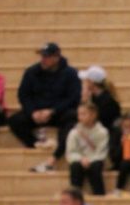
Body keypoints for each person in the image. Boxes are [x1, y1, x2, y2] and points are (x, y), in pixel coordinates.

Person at [9, 43, 80, 172]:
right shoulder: (31, 72)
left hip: (59, 112)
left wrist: (52, 111)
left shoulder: (70, 73)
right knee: (15, 120)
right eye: (42, 56)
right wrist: (32, 112)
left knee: (72, 118)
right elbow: (23, 95)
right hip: (36, 113)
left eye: (46, 56)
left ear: (56, 57)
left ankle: (58, 152)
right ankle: (35, 144)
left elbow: (73, 98)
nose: (43, 59)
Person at [65, 101, 109, 195]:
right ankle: (75, 196)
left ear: (93, 115)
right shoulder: (74, 132)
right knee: (75, 167)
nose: (80, 117)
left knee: (96, 167)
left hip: (95, 159)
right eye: (79, 114)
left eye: (83, 114)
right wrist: (81, 159)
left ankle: (99, 195)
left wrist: (90, 160)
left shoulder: (102, 132)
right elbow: (71, 152)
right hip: (80, 160)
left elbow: (102, 151)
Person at [78, 65, 120, 131]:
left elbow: (96, 123)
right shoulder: (94, 98)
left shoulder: (108, 102)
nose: (84, 83)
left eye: (86, 80)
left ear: (91, 82)